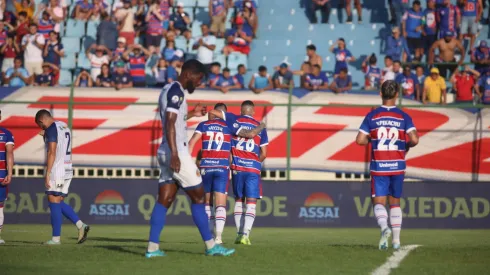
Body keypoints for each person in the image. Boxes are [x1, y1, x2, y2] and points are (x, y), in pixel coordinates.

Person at [145, 59, 236, 258]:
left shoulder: (169, 90)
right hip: (176, 151)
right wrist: (175, 154)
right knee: (199, 197)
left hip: (165, 150)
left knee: (165, 199)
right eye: (199, 78)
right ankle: (212, 246)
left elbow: (174, 120)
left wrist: (192, 114)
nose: (199, 82)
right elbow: (169, 122)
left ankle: (152, 248)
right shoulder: (177, 91)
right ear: (188, 74)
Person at [355, 80, 419, 251]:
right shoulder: (403, 116)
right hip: (398, 165)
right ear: (397, 94)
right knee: (395, 202)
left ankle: (384, 228)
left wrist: (372, 139)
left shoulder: (373, 116)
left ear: (380, 94)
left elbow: (360, 140)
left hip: (379, 165)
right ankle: (397, 242)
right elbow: (414, 139)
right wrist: (406, 146)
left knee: (379, 202)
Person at [208, 100, 268, 245]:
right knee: (251, 202)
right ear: (253, 111)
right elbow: (264, 153)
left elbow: (213, 112)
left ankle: (238, 234)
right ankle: (245, 235)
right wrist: (254, 163)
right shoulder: (260, 127)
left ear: (241, 111)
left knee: (239, 201)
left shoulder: (233, 119)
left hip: (237, 167)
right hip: (252, 168)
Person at [34, 110, 90, 245]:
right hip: (68, 168)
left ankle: (55, 239)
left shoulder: (51, 130)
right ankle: (80, 225)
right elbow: (60, 143)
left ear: (42, 121)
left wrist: (47, 173)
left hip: (57, 170)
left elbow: (52, 152)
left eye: (40, 125)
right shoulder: (63, 125)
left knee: (53, 201)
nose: (41, 128)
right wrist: (45, 135)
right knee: (58, 201)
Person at [188, 103, 231, 245]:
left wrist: (189, 163)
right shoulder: (228, 127)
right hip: (221, 167)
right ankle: (218, 236)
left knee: (206, 203)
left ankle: (208, 237)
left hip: (206, 167)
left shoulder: (203, 125)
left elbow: (191, 143)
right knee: (220, 204)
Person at [0, 110, 14, 244]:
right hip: (1, 174)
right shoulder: (6, 134)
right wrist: (9, 173)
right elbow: (9, 153)